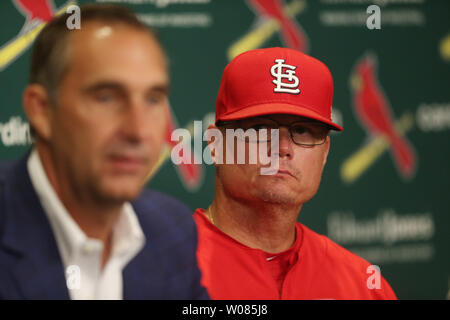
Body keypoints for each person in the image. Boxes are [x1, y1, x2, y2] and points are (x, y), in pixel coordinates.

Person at [0, 4, 208, 300]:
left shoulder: (171, 230)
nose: (138, 131)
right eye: (107, 97)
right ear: (42, 110)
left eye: (152, 99)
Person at [194, 47, 397, 299]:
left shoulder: (362, 285)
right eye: (259, 127)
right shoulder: (161, 269)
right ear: (215, 145)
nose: (282, 148)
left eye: (302, 131)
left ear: (324, 153)